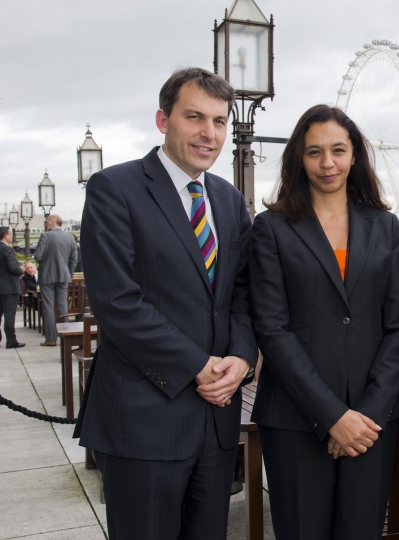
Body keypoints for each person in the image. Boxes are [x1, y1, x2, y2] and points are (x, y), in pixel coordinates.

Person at [73, 67, 257, 540]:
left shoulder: (230, 200)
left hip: (216, 425)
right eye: (194, 117)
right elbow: (117, 302)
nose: (209, 133)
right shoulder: (114, 189)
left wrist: (241, 356)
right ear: (163, 119)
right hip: (144, 420)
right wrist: (198, 366)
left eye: (219, 121)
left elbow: (241, 292)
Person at [249, 104, 399, 539]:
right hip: (294, 418)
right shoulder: (272, 229)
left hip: (371, 422)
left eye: (338, 150)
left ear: (355, 155)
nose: (327, 163)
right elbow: (272, 329)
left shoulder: (385, 226)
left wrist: (367, 412)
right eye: (314, 152)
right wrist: (332, 415)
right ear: (298, 159)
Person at [34, 214, 77, 346]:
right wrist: (67, 273)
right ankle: (66, 337)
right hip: (63, 276)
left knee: (48, 306)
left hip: (47, 276)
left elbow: (37, 256)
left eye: (47, 221)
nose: (46, 223)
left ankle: (51, 338)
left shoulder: (46, 236)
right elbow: (73, 259)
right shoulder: (70, 238)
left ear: (53, 222)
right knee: (63, 305)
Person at [0, 227, 24, 349]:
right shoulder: (7, 250)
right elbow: (12, 268)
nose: (12, 236)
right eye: (10, 234)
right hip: (8, 288)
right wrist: (21, 269)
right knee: (9, 315)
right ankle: (11, 341)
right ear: (5, 236)